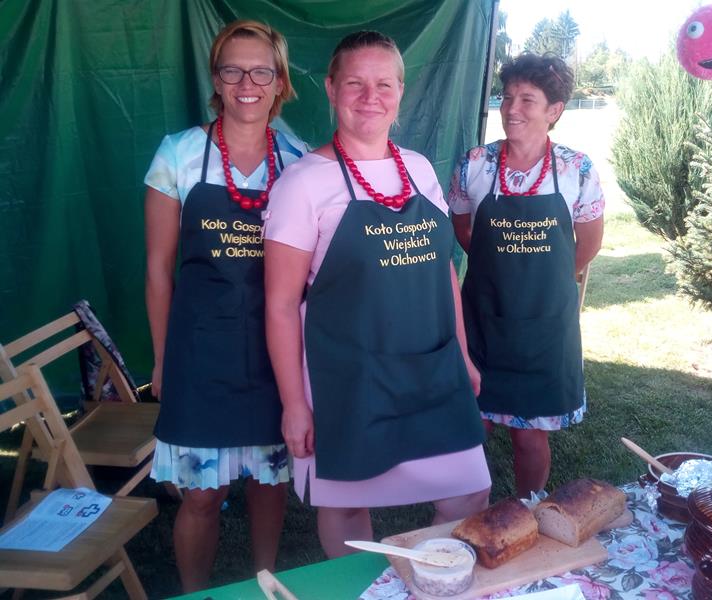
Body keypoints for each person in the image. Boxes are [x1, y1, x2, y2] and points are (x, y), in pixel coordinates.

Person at [263, 30, 490, 558]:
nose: (371, 97)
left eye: (384, 84)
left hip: (430, 369)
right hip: (348, 379)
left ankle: (428, 580)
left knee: (469, 493)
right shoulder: (302, 184)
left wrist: (461, 354)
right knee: (347, 509)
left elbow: (443, 273)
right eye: (355, 84)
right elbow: (279, 305)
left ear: (401, 92)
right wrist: (294, 404)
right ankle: (364, 590)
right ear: (330, 88)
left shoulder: (419, 169)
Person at [144, 20, 306, 592]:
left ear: (280, 82)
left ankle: (265, 584)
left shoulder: (298, 160)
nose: (247, 84)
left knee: (269, 484)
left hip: (273, 353)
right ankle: (196, 593)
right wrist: (162, 359)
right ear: (216, 79)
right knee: (201, 496)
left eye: (261, 71)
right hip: (199, 353)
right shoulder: (179, 155)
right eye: (233, 70)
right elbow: (158, 270)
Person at [448, 53, 604, 498]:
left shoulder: (577, 169)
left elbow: (588, 243)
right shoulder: (475, 164)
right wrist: (503, 271)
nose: (511, 109)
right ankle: (465, 511)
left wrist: (544, 279)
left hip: (545, 327)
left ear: (554, 110)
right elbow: (463, 228)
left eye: (527, 100)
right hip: (483, 318)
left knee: (530, 436)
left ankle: (527, 509)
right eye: (507, 97)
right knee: (471, 425)